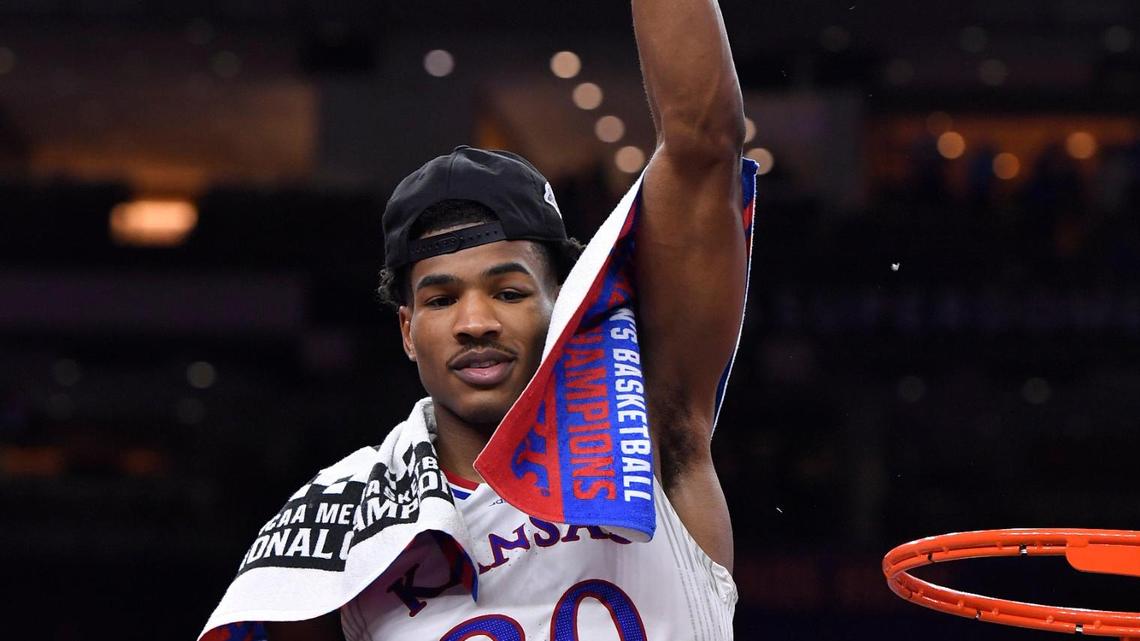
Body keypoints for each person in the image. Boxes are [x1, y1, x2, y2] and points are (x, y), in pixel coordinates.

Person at [208, 1, 749, 639]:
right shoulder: (338, 532)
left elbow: (703, 141)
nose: (475, 322)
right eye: (440, 300)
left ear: (561, 304)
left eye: (510, 291)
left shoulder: (653, 430)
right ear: (407, 331)